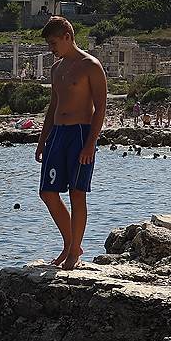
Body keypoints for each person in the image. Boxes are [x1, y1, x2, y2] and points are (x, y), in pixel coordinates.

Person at [35, 17, 107, 270]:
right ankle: (70, 244)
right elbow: (53, 106)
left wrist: (90, 144)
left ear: (67, 36)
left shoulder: (91, 66)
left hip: (80, 134)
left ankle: (75, 250)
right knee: (47, 193)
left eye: (53, 43)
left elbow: (100, 108)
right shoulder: (56, 69)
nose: (51, 48)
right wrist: (42, 140)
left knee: (77, 193)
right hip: (58, 135)